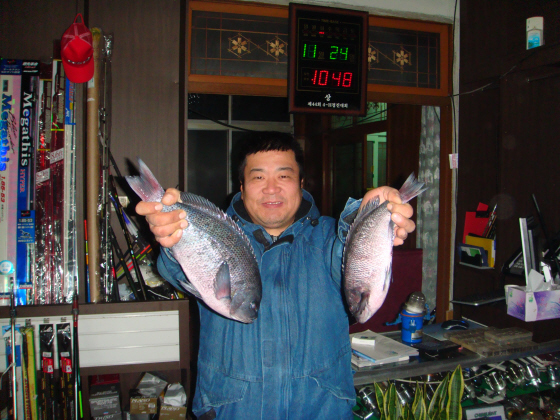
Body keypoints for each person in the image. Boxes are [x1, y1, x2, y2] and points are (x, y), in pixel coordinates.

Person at [136, 131, 415, 419]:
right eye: (258, 177)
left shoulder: (328, 239)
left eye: (284, 176)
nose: (271, 189)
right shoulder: (216, 238)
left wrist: (369, 217)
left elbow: (348, 257)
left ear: (301, 183)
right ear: (242, 187)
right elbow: (174, 269)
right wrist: (172, 236)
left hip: (322, 411)